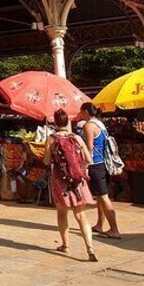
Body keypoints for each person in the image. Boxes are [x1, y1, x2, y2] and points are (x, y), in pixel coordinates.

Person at [43, 108, 97, 262]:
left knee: (62, 212)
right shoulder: (77, 138)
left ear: (55, 122)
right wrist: (80, 169)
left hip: (61, 181)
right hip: (78, 180)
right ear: (68, 121)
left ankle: (65, 244)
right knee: (81, 215)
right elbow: (88, 159)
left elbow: (46, 161)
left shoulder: (51, 139)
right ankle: (90, 247)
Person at [79, 102, 122, 239]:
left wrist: (85, 165)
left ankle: (114, 229)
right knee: (100, 196)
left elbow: (89, 147)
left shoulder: (89, 126)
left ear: (86, 112)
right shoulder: (100, 124)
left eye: (81, 112)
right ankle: (100, 224)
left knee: (103, 196)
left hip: (95, 164)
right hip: (104, 163)